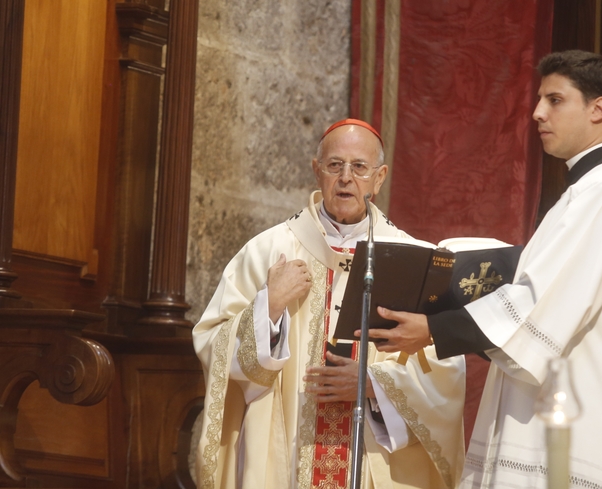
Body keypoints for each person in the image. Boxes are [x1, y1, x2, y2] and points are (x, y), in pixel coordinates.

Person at [370, 51, 602, 489]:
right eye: (540, 100)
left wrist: (435, 330)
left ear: (598, 109)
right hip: (549, 408)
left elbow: (539, 303)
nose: (538, 113)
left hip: (575, 424)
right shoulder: (589, 189)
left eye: (555, 100)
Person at [193, 118, 465, 489]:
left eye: (359, 167)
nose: (346, 178)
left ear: (379, 177)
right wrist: (268, 308)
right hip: (284, 458)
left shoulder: (416, 260)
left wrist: (374, 383)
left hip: (372, 459)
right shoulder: (269, 251)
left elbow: (446, 369)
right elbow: (212, 345)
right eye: (335, 165)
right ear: (316, 171)